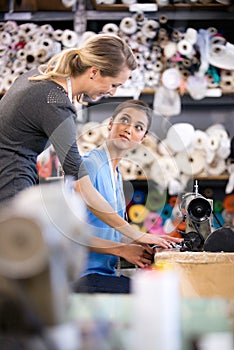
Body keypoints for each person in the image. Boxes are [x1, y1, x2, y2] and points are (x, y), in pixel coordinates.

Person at [0, 33, 179, 265]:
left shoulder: (44, 76)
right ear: (93, 71)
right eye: (114, 84)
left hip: (12, 169)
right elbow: (81, 186)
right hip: (9, 176)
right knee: (16, 263)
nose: (113, 92)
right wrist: (138, 235)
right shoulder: (55, 103)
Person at [72, 100, 161, 293]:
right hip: (82, 276)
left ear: (142, 138)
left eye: (138, 127)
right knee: (153, 294)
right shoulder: (90, 164)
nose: (129, 129)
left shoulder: (116, 173)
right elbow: (68, 234)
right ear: (110, 124)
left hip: (104, 274)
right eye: (124, 120)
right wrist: (122, 250)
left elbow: (105, 233)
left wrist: (143, 245)